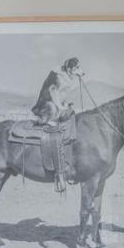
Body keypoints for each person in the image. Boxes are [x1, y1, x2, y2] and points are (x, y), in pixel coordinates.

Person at [31, 58, 80, 190]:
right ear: (69, 68)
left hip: (56, 103)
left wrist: (65, 105)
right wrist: (60, 107)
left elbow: (62, 94)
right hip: (46, 105)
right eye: (76, 68)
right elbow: (53, 91)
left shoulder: (67, 76)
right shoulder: (57, 75)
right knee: (53, 111)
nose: (78, 70)